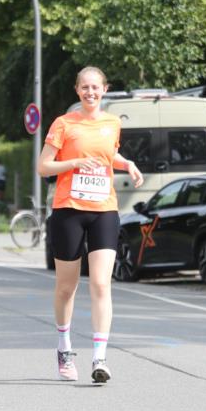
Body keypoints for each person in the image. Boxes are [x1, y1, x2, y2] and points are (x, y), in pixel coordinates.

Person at [37, 66, 143, 384]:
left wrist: (129, 163)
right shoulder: (64, 124)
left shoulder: (112, 123)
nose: (90, 92)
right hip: (69, 209)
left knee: (100, 284)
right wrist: (73, 163)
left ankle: (100, 357)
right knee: (67, 287)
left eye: (95, 87)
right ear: (77, 90)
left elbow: (108, 156)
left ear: (104, 89)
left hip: (104, 209)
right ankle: (64, 347)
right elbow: (43, 167)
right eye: (84, 87)